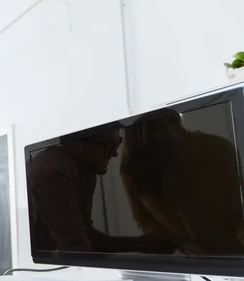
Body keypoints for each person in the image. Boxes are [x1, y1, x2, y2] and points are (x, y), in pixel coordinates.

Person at [120, 108, 244, 255]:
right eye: (156, 129)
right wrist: (177, 247)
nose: (170, 131)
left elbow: (238, 213)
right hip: (186, 262)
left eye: (173, 120)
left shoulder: (217, 149)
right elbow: (143, 218)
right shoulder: (133, 166)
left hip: (233, 258)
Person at [31, 129, 176, 254]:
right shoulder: (55, 171)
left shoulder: (87, 173)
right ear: (73, 142)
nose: (114, 153)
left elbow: (86, 236)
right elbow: (74, 247)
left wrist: (141, 243)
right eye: (106, 146)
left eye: (116, 143)